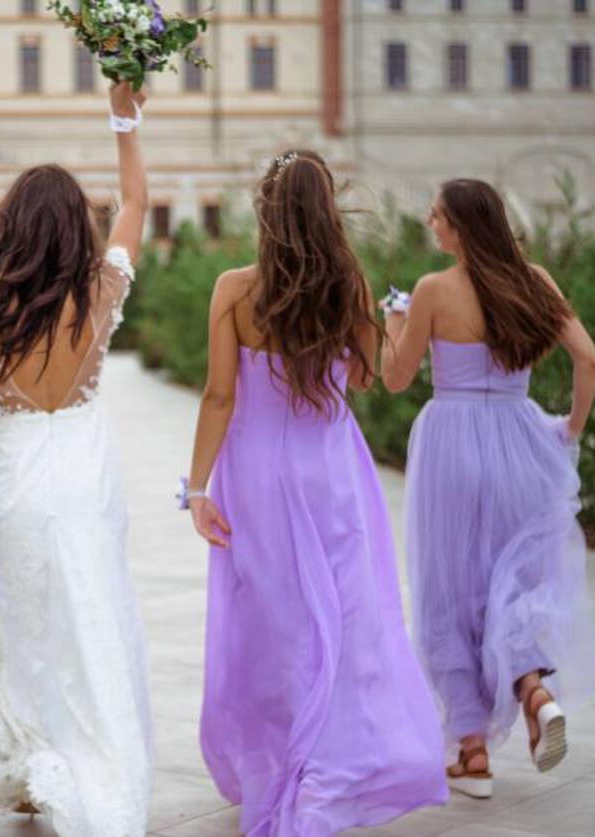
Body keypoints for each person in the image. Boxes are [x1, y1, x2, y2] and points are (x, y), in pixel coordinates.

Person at [183, 149, 447, 835]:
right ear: (327, 212)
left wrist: (195, 488)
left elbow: (218, 395)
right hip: (329, 469)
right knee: (342, 615)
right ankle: (328, 762)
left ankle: (282, 758)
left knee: (273, 618)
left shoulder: (233, 290)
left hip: (257, 473)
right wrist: (391, 325)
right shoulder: (349, 287)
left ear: (266, 213)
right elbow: (368, 380)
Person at [0, 81, 153, 837]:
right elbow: (135, 203)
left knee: (25, 623)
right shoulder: (100, 290)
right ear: (75, 227)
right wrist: (123, 120)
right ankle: (85, 761)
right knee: (88, 618)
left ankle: (36, 766)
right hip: (82, 473)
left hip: (15, 471)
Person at [382, 177, 595, 799]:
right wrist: (568, 430)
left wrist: (392, 322)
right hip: (520, 436)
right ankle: (535, 689)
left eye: (437, 214)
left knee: (449, 590)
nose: (429, 219)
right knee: (511, 579)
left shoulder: (432, 290)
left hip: (450, 441)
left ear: (460, 226)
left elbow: (397, 377)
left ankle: (472, 751)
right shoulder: (534, 281)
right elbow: (587, 360)